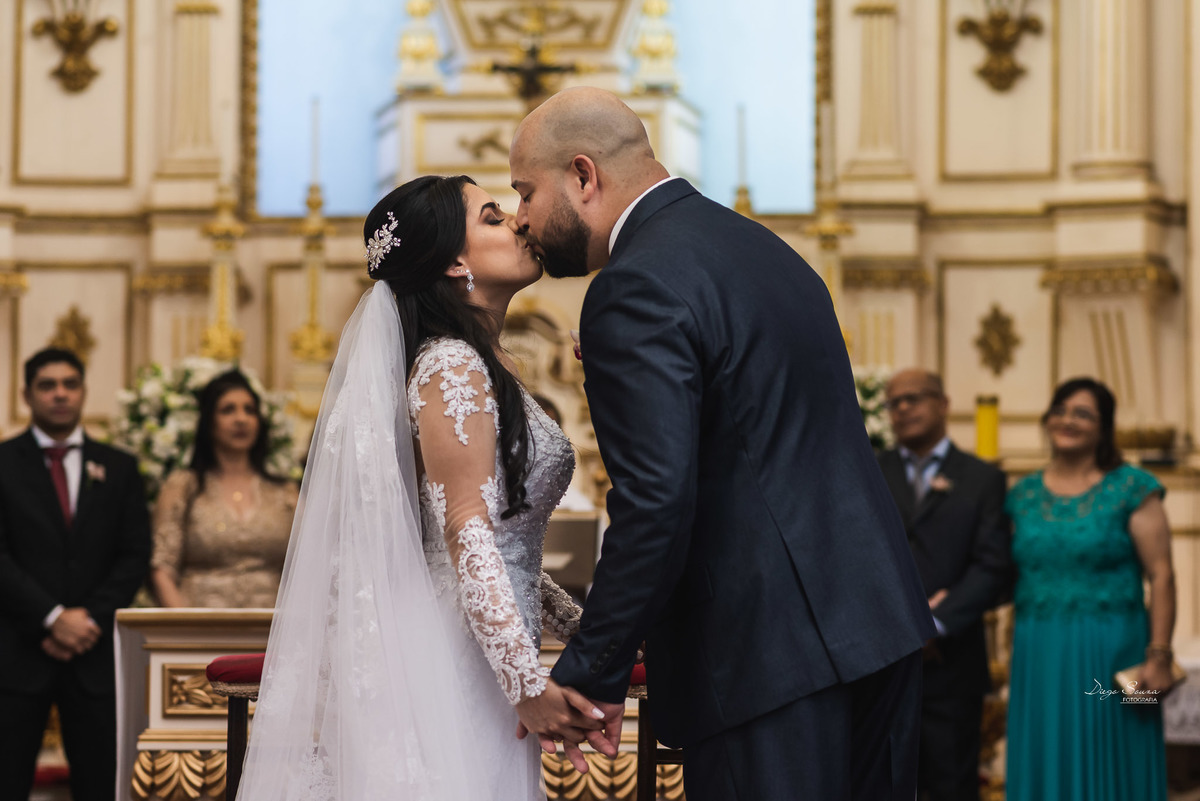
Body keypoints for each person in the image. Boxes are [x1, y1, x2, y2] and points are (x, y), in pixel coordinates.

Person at [508, 87, 935, 801]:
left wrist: (592, 668)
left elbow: (656, 504)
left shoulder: (632, 287)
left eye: (525, 191)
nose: (521, 217)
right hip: (875, 623)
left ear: (583, 177)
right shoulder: (763, 249)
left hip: (765, 658)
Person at [235, 175, 607, 801]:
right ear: (455, 262)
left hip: (480, 641)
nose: (519, 221)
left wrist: (583, 625)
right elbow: (466, 530)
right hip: (452, 654)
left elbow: (499, 540)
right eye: (492, 216)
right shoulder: (451, 365)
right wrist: (525, 682)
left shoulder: (482, 363)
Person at [1005, 377, 1175, 800]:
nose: (1068, 420)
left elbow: (1163, 575)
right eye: (1060, 410)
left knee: (1119, 753)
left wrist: (1159, 656)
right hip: (1039, 648)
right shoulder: (1021, 494)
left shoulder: (1133, 488)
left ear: (1105, 427)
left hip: (1115, 650)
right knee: (1047, 748)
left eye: (1083, 414)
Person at [0, 348, 151, 801]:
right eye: (47, 385)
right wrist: (50, 617)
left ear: (84, 391)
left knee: (101, 784)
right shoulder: (3, 463)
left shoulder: (120, 467)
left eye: (70, 383)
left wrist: (85, 620)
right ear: (26, 394)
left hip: (96, 651)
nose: (60, 394)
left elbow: (134, 554)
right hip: (17, 652)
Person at [879, 368, 1012, 801]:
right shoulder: (868, 471)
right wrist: (898, 621)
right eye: (894, 402)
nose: (902, 408)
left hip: (950, 665)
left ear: (943, 404)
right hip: (879, 661)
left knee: (952, 786)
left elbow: (992, 565)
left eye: (913, 398)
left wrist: (934, 622)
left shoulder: (981, 478)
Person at [150, 370, 299, 608]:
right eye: (228, 410)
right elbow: (162, 568)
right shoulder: (183, 487)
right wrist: (185, 630)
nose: (241, 419)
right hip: (200, 630)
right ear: (209, 422)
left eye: (249, 410)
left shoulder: (285, 493)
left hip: (273, 631)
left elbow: (308, 568)